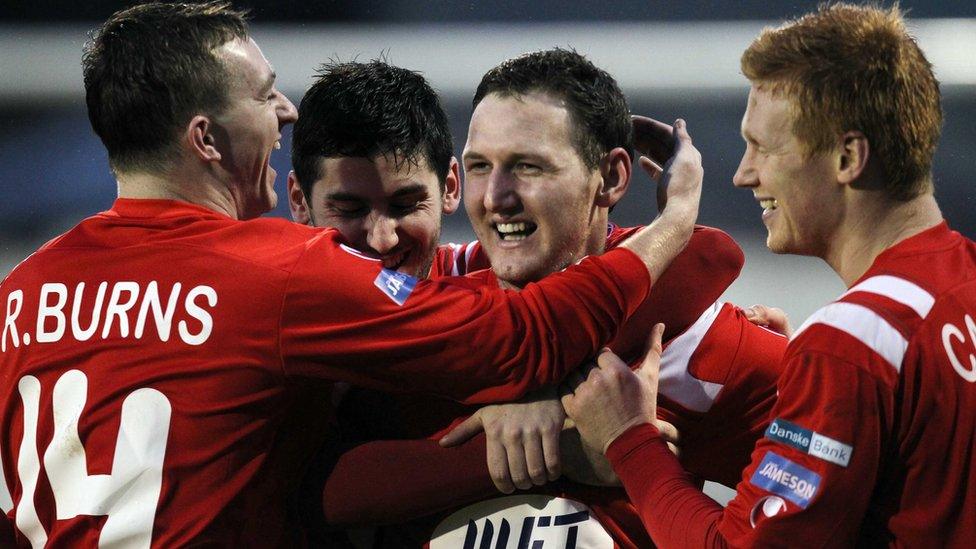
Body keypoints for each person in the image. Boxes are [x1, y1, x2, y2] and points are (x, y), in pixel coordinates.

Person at [0, 2, 705, 547]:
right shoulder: (274, 273)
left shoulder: (18, 296)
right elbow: (518, 339)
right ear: (205, 139)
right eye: (264, 93)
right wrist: (672, 222)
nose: (285, 111)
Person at [304, 51, 785, 547]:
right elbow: (317, 488)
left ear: (612, 178)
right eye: (480, 167)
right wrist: (559, 444)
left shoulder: (697, 342)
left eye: (527, 167)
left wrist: (633, 453)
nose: (496, 197)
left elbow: (830, 502)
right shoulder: (424, 299)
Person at [563, 4, 976, 547]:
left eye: (763, 147)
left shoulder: (852, 345)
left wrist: (630, 439)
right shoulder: (952, 286)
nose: (743, 174)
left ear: (848, 156)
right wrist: (813, 389)